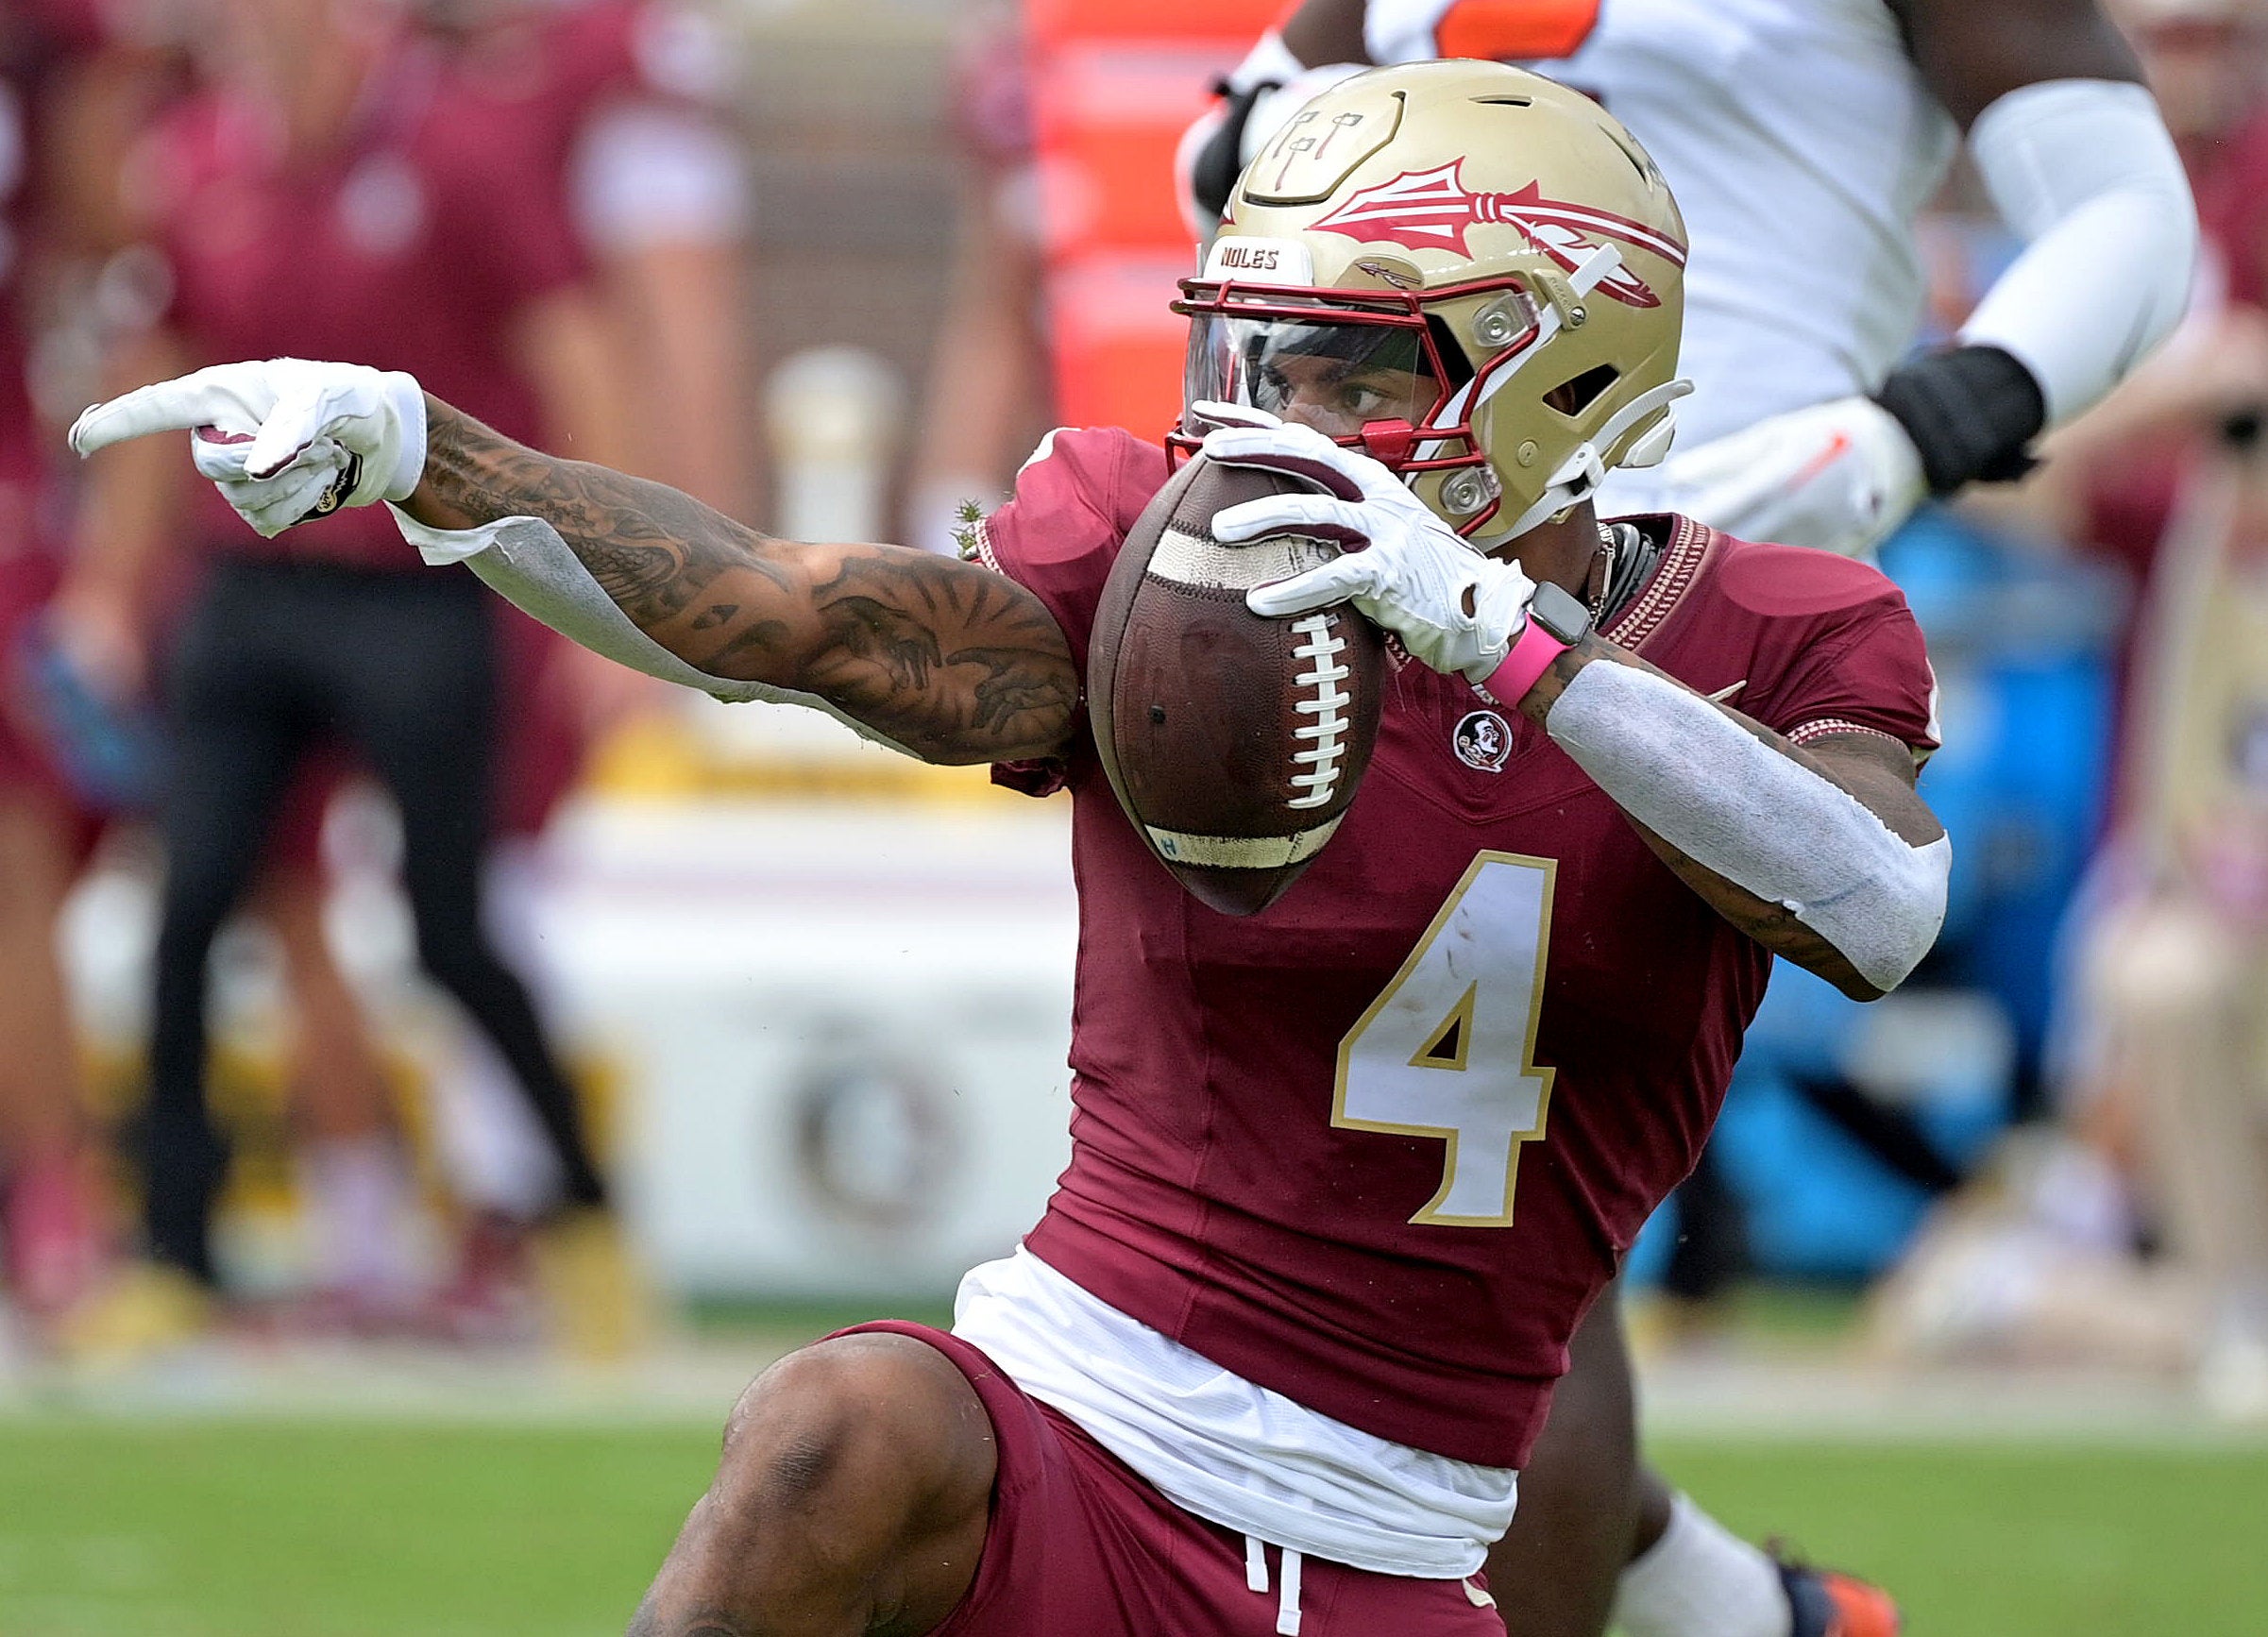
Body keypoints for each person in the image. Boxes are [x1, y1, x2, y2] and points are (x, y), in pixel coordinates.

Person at [73, 62, 1951, 1637]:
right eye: (1259, 354)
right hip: (1076, 1427)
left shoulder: (1782, 633)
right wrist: (431, 454)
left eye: (1348, 369)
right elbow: (793, 616)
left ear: (1562, 370)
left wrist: (1507, 645)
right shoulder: (1172, 575)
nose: (1280, 420)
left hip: (1407, 1527)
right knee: (837, 1429)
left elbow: (1874, 906)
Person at [1183, 4, 2197, 1631]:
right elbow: (1236, 148)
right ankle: (1751, 1617)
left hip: (1691, 552)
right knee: (1359, 1195)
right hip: (1384, 545)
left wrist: (1919, 424)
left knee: (1480, 1222)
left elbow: (2124, 211)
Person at [58, 0, 626, 1341]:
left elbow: (575, 357)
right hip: (249, 587)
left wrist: (605, 589)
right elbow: (162, 377)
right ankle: (173, 1252)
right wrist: (107, 589)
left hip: (415, 583)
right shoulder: (199, 155)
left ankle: (584, 1217)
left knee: (448, 925)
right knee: (188, 911)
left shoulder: (453, 149)